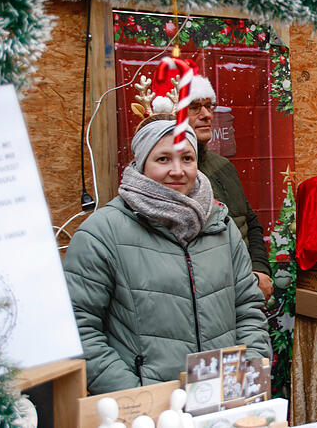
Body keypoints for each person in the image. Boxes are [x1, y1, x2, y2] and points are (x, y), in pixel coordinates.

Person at [64, 116, 271, 394]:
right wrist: (136, 395)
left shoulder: (220, 225)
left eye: (187, 158)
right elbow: (80, 329)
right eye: (163, 159)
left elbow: (248, 309)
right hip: (148, 409)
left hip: (221, 397)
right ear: (141, 164)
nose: (177, 170)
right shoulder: (102, 234)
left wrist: (246, 375)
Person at [188, 76, 274, 301]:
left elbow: (251, 222)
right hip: (211, 295)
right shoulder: (174, 178)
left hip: (247, 287)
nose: (206, 115)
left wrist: (259, 270)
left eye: (208, 106)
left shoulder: (223, 166)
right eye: (195, 107)